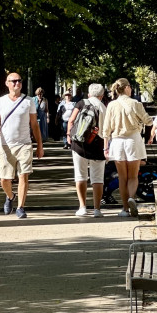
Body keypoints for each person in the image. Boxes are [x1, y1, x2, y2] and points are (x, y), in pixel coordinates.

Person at [0, 72, 44, 218]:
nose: (16, 83)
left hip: (24, 145)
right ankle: (10, 196)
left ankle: (20, 207)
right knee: (4, 180)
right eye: (13, 81)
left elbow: (34, 125)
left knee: (23, 176)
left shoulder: (29, 101)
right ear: (7, 83)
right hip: (6, 145)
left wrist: (39, 145)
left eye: (19, 81)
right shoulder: (1, 101)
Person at [102, 78, 153, 217]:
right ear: (125, 88)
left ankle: (124, 209)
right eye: (130, 86)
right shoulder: (136, 103)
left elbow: (106, 129)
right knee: (133, 176)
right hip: (133, 140)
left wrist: (105, 148)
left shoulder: (112, 105)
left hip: (117, 142)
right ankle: (132, 197)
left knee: (122, 177)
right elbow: (148, 121)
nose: (131, 89)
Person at [66, 84, 107, 217]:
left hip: (79, 143)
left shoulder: (81, 103)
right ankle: (97, 209)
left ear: (89, 94)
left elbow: (71, 120)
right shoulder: (104, 107)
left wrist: (69, 136)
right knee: (97, 177)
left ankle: (82, 207)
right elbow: (106, 129)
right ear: (102, 95)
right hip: (97, 144)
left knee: (80, 175)